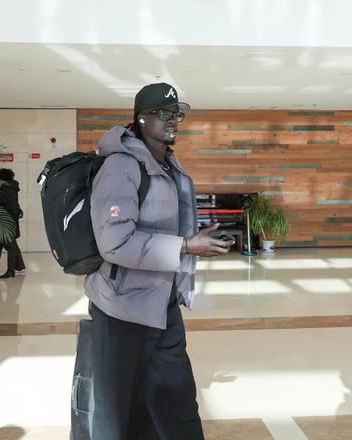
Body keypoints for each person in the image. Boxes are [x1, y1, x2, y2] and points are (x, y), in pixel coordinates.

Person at [84, 83, 233, 439]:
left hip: (163, 305)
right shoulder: (120, 167)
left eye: (176, 114)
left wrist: (194, 240)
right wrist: (185, 246)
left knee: (179, 407)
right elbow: (114, 243)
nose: (173, 121)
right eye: (163, 114)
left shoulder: (167, 164)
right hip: (121, 311)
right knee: (119, 417)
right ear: (141, 118)